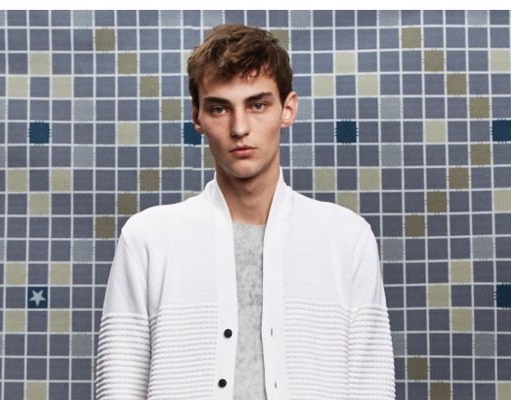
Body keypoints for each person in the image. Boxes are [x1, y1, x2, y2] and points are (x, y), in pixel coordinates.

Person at [96, 24, 395, 399]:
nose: (239, 128)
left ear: (288, 109)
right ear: (198, 117)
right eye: (219, 108)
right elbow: (119, 386)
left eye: (258, 105)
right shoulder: (148, 238)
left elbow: (371, 385)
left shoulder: (346, 238)